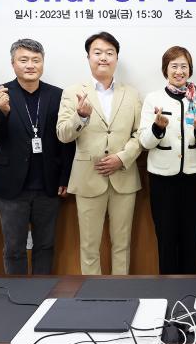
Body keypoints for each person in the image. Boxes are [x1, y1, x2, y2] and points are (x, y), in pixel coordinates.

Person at [0, 39, 73, 275]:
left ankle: (42, 293)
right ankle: (17, 294)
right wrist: (2, 112)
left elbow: (66, 141)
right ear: (13, 63)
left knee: (46, 246)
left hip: (48, 185)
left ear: (43, 63)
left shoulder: (58, 95)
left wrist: (65, 177)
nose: (30, 65)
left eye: (36, 60)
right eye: (23, 60)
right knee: (14, 248)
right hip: (11, 186)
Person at [56, 32, 142, 275]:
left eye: (109, 53)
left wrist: (121, 158)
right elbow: (63, 134)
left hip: (123, 177)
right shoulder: (73, 92)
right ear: (88, 57)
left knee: (122, 244)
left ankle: (121, 291)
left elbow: (140, 134)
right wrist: (80, 116)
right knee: (89, 245)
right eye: (97, 52)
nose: (103, 58)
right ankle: (92, 293)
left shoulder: (132, 93)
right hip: (88, 178)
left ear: (116, 58)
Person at [138, 46, 196, 274]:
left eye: (184, 66)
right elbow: (145, 142)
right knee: (166, 239)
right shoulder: (153, 99)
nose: (179, 71)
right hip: (162, 179)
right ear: (165, 70)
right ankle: (167, 290)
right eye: (174, 66)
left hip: (195, 178)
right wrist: (157, 128)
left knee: (192, 238)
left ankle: (190, 289)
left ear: (190, 70)